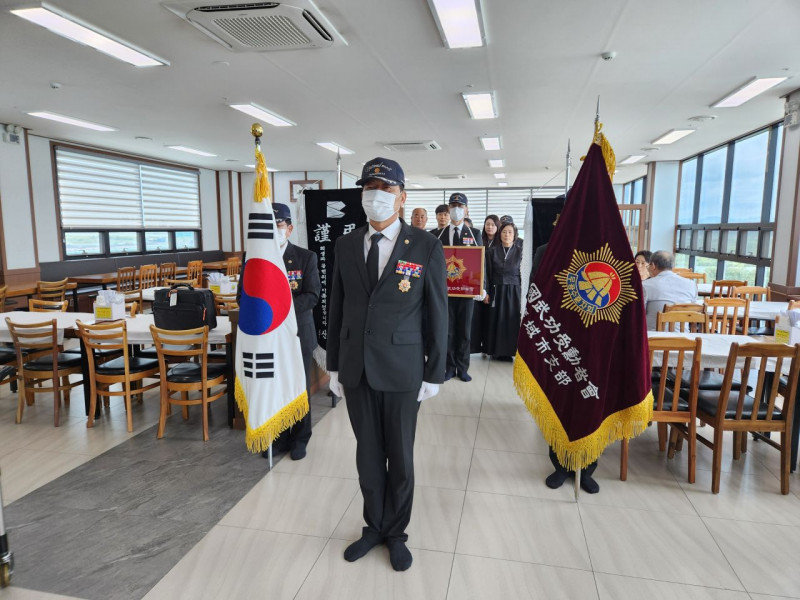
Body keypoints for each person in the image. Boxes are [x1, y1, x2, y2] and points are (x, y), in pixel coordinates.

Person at [327, 157, 448, 572]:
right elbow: (337, 307)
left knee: (400, 457)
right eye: (369, 188)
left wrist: (435, 371)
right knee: (367, 455)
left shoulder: (425, 246)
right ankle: (373, 527)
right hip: (356, 368)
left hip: (402, 369)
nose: (376, 195)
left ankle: (396, 533)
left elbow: (437, 313)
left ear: (402, 197)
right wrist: (334, 364)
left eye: (385, 188)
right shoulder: (345, 244)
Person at [242, 203, 321, 461]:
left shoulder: (305, 257)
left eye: (278, 225)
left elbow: (312, 295)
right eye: (268, 225)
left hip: (297, 334)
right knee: (273, 386)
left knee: (298, 386)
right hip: (266, 337)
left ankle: (300, 438)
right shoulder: (252, 258)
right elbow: (243, 296)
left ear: (289, 228)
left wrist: (280, 309)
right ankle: (278, 436)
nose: (274, 230)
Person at [531, 240, 600, 494]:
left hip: (594, 340)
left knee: (591, 405)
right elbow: (535, 292)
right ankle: (560, 465)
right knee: (559, 402)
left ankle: (588, 468)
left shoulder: (603, 249)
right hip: (559, 338)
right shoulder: (546, 250)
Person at [430, 192, 484, 381]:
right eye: (453, 206)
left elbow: (480, 261)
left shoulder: (475, 234)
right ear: (448, 209)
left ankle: (462, 368)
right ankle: (449, 367)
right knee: (448, 331)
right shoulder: (437, 235)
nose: (456, 209)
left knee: (464, 332)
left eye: (460, 206)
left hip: (467, 291)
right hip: (445, 292)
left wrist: (482, 286)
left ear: (466, 209)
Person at [484, 221, 522, 361]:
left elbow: (524, 274)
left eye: (510, 232)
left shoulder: (520, 252)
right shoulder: (492, 251)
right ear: (500, 234)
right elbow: (487, 274)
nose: (507, 235)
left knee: (512, 320)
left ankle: (510, 351)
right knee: (495, 319)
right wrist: (486, 291)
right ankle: (496, 351)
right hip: (496, 289)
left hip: (514, 290)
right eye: (504, 232)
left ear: (515, 235)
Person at [642, 250, 699, 330]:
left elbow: (639, 314)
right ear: (672, 266)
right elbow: (693, 312)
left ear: (653, 266)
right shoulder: (691, 284)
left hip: (654, 336)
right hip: (683, 336)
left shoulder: (645, 285)